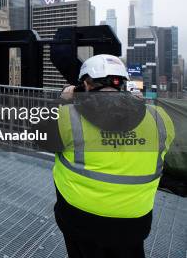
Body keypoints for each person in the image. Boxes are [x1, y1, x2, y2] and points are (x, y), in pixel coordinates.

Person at [43, 54, 175, 258]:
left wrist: (62, 99)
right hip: (134, 222)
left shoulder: (67, 117)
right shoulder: (159, 118)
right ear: (123, 84)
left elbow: (40, 137)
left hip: (80, 219)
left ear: (85, 85)